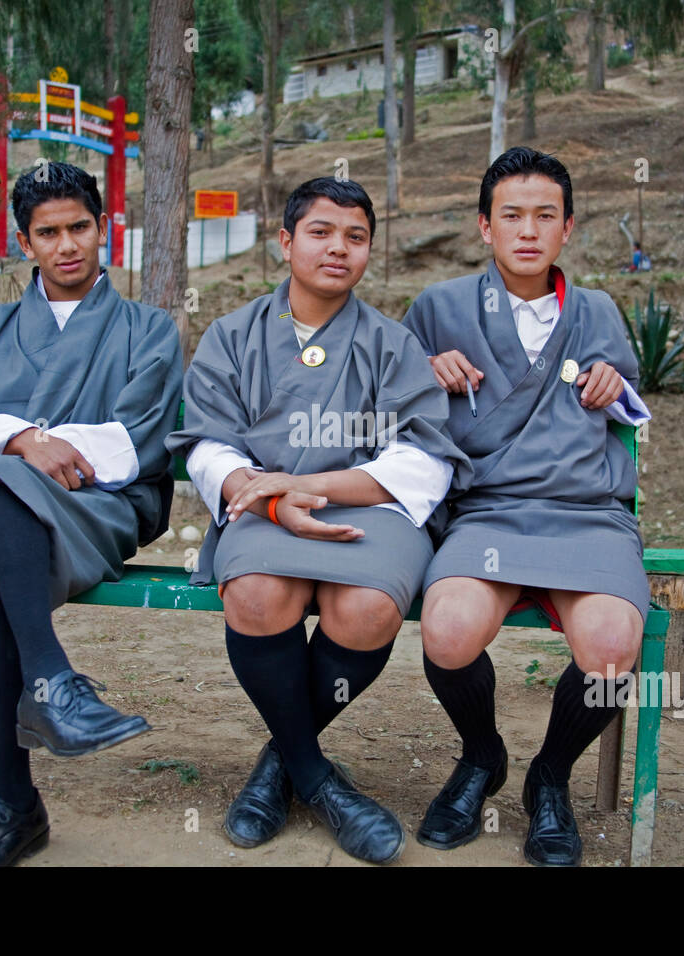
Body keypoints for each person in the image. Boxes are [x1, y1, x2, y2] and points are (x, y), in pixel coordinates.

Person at [167, 177, 470, 865]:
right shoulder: (234, 334)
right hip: (266, 508)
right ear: (286, 241)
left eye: (356, 237)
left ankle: (280, 764)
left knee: (366, 608)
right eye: (321, 232)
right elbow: (209, 444)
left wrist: (310, 484)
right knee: (256, 593)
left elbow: (423, 460)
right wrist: (268, 494)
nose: (339, 248)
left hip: (369, 505)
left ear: (368, 251)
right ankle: (318, 780)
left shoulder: (391, 344)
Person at [0, 162, 183, 866]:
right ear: (24, 243)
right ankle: (37, 731)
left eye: (80, 228)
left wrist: (14, 445)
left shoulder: (148, 330)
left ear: (104, 231)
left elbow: (138, 442)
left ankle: (12, 794)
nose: (67, 246)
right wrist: (27, 442)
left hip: (104, 506)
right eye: (48, 233)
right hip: (9, 515)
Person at [401, 147, 652, 867]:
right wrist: (425, 373)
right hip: (489, 513)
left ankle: (551, 774)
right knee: (447, 633)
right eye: (511, 215)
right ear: (485, 226)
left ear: (567, 228)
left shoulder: (597, 310)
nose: (528, 230)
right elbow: (390, 406)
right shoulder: (439, 307)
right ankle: (482, 757)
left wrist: (612, 380)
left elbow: (633, 405)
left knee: (609, 651)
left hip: (587, 513)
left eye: (546, 215)